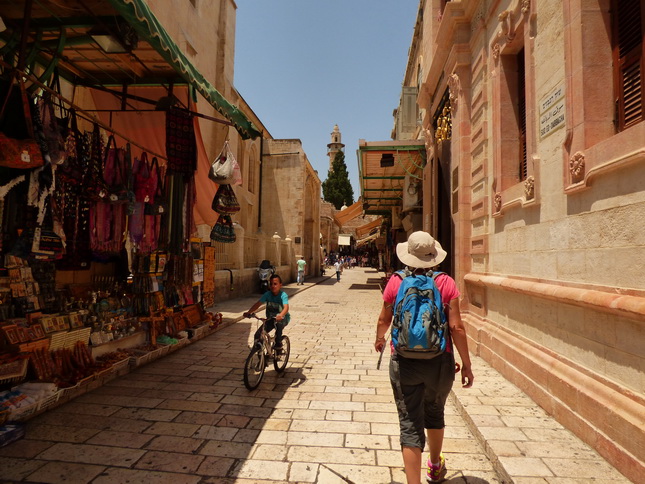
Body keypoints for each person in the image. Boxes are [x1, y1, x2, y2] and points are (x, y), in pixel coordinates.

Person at [374, 231, 474, 484]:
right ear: (433, 256)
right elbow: (457, 328)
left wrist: (379, 339)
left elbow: (384, 320)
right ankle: (436, 465)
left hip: (404, 361)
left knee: (409, 424)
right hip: (440, 360)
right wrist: (467, 365)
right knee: (435, 411)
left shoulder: (395, 282)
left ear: (408, 256)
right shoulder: (446, 282)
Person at [244, 274, 290, 350]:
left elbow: (286, 307)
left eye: (275, 284)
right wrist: (249, 312)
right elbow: (258, 304)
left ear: (280, 285)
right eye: (271, 284)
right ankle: (260, 355)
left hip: (282, 319)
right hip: (270, 319)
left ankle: (279, 345)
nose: (273, 286)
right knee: (258, 334)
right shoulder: (267, 294)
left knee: (278, 331)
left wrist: (281, 315)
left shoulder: (283, 295)